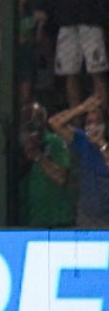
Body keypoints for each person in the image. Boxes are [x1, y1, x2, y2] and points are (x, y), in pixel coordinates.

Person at [47, 95, 109, 228]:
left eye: (96, 122)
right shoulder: (83, 141)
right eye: (88, 123)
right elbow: (54, 122)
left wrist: (101, 144)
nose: (92, 127)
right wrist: (82, 107)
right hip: (86, 217)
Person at [20, 103, 75, 228]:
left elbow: (61, 177)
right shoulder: (18, 148)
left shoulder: (55, 142)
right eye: (27, 119)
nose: (31, 124)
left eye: (35, 119)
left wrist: (38, 156)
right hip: (31, 220)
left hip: (58, 220)